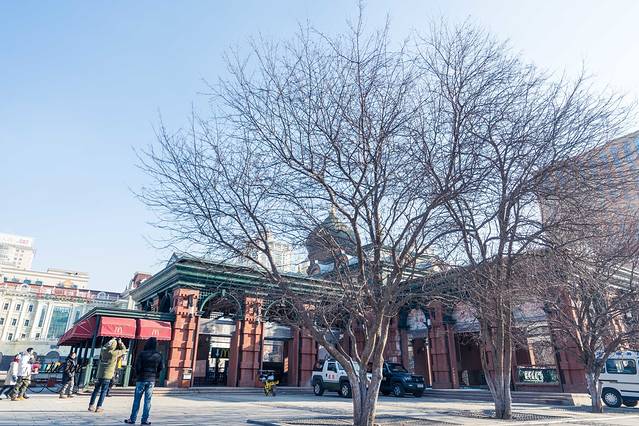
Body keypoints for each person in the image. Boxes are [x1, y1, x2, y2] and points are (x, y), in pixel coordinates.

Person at [124, 337, 163, 425]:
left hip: (141, 378)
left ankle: (132, 419)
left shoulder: (142, 354)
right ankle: (145, 420)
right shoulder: (158, 355)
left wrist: (138, 375)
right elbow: (161, 368)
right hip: (151, 380)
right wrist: (155, 375)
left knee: (137, 400)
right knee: (147, 401)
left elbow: (137, 366)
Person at [88, 338, 127, 413]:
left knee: (96, 390)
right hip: (108, 375)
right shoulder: (114, 353)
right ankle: (99, 407)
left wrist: (111, 341)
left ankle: (91, 405)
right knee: (103, 392)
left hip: (99, 375)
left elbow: (105, 346)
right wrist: (120, 343)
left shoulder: (103, 351)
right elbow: (124, 350)